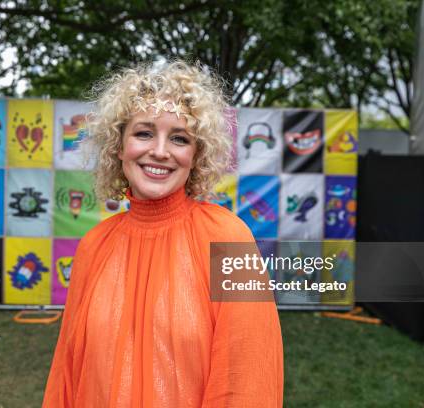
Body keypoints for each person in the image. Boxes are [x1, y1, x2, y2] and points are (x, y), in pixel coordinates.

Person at [43, 60, 283, 407]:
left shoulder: (229, 240)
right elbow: (68, 372)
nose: (159, 151)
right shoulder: (94, 246)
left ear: (196, 154)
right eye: (143, 133)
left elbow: (246, 380)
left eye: (179, 138)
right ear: (119, 146)